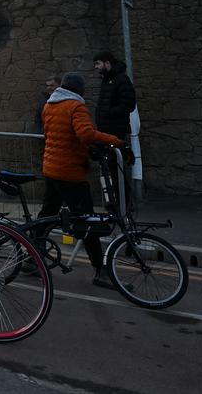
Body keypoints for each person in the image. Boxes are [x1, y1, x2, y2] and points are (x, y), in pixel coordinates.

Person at [40, 72, 124, 288]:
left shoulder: (50, 105)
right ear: (79, 89)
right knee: (87, 221)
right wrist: (114, 141)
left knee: (46, 216)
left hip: (52, 168)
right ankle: (99, 271)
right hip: (70, 173)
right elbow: (86, 134)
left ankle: (31, 257)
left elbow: (53, 134)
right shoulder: (75, 106)